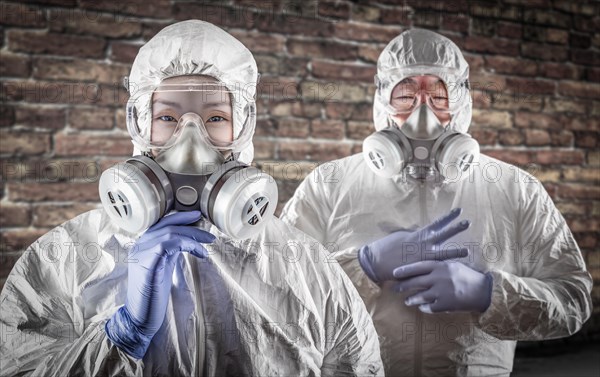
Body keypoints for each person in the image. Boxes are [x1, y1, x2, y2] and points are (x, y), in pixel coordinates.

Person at [0, 20, 383, 376]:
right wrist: (124, 334)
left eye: (215, 119)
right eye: (167, 118)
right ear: (140, 124)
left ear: (243, 128)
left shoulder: (304, 264)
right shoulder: (64, 257)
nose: (190, 141)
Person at [281, 28, 593, 376]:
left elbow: (572, 300)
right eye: (406, 95)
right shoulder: (329, 184)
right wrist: (362, 266)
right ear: (382, 99)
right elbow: (281, 290)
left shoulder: (515, 188)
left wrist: (488, 294)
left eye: (439, 96)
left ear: (462, 101)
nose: (422, 114)